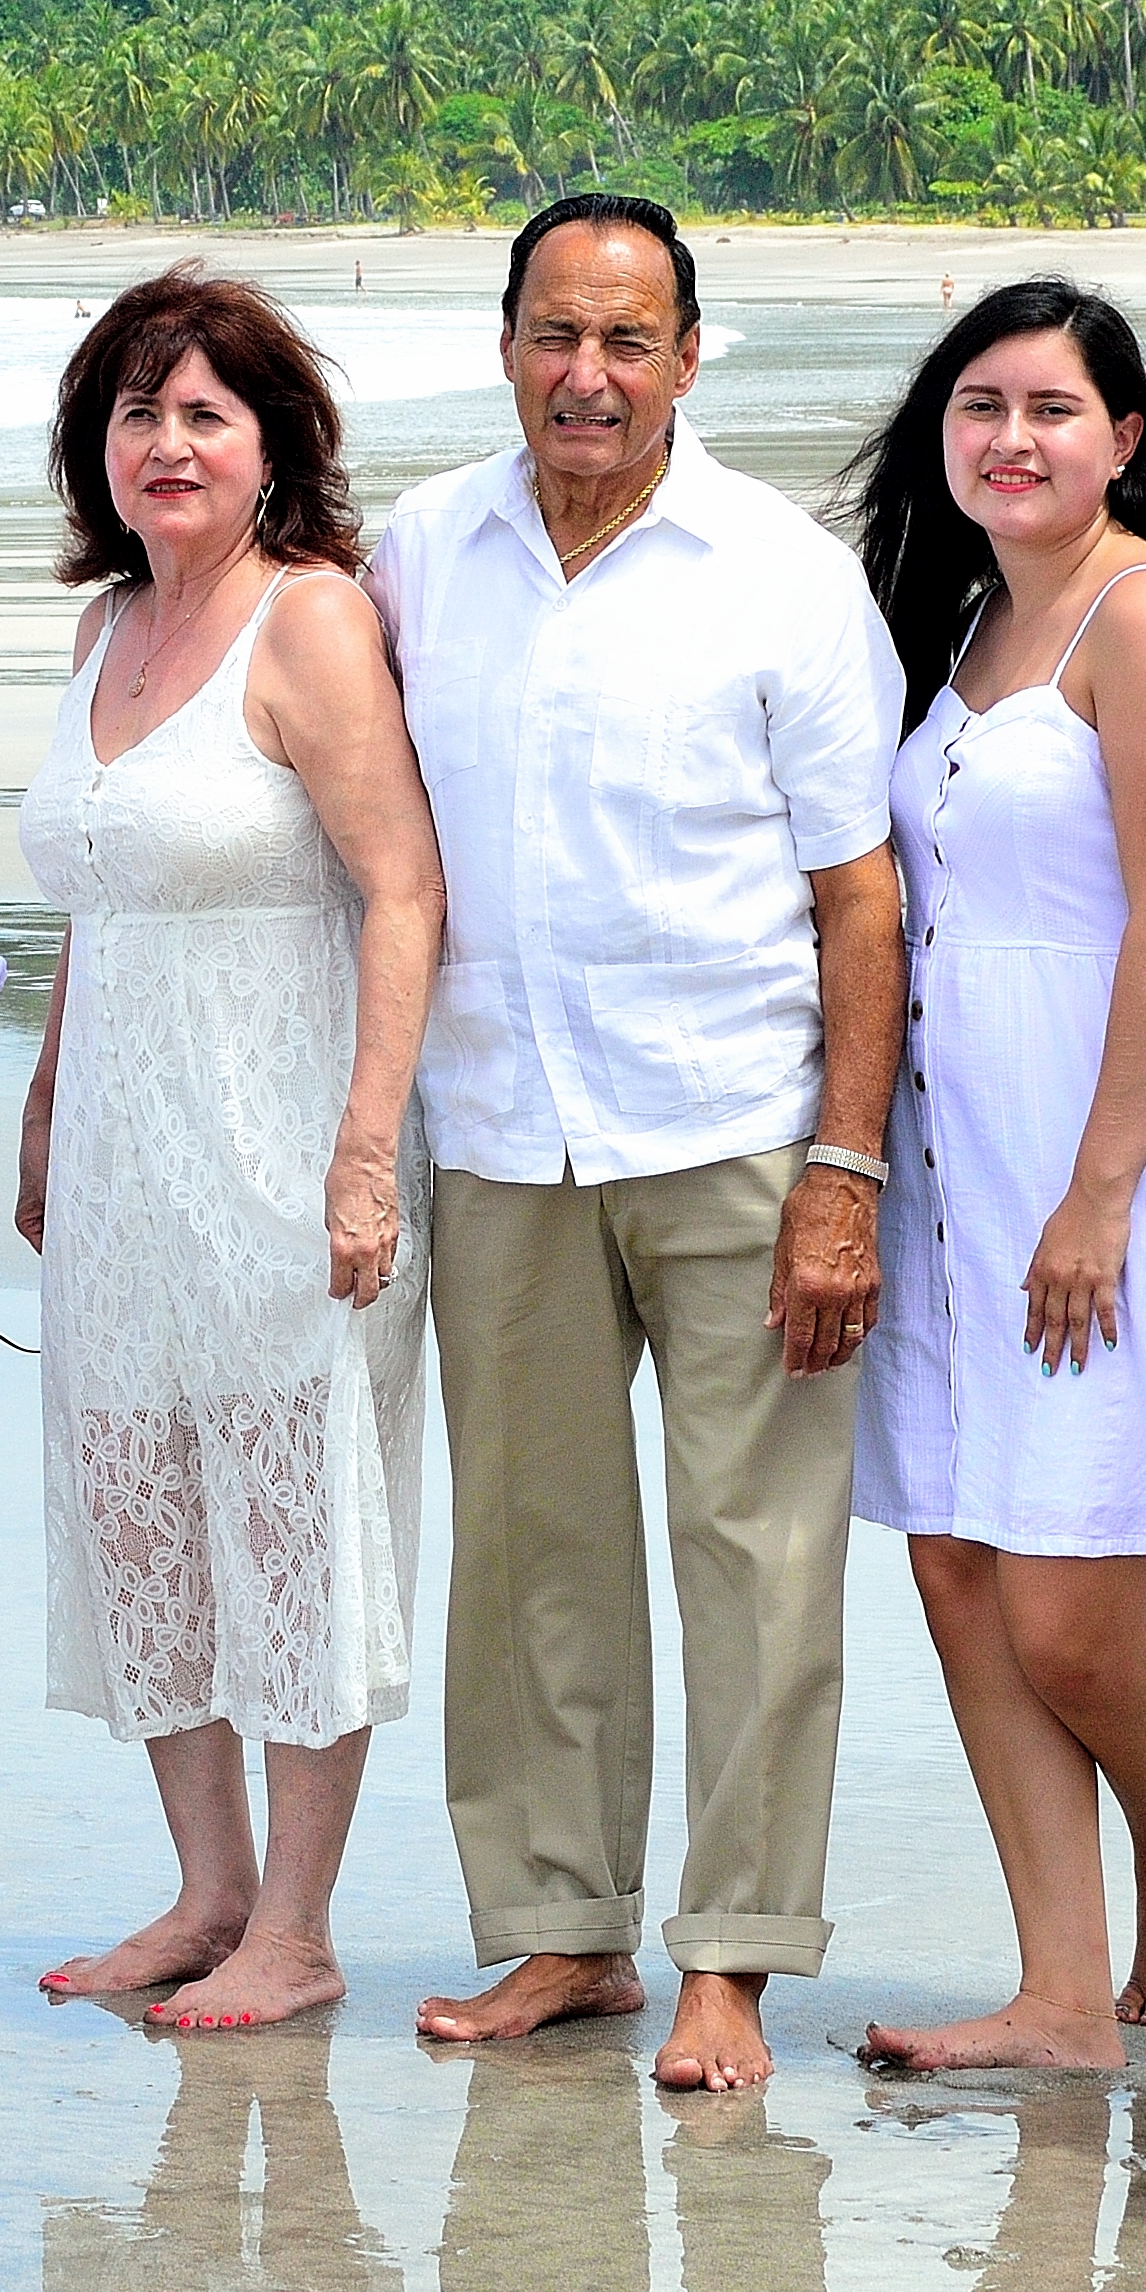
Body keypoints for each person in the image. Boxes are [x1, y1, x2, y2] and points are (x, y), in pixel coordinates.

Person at [377, 191, 907, 2096]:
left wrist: (845, 1176)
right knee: (530, 1555)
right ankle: (557, 1929)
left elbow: (862, 896)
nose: (583, 377)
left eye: (625, 342)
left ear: (689, 358)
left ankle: (735, 1959)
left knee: (755, 1560)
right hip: (500, 1126)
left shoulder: (780, 571)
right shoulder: (423, 553)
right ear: (504, 343)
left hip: (735, 1132)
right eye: (551, 335)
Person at [831, 279, 1146, 2077]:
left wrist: (1097, 1193)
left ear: (1122, 438)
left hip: (1099, 1176)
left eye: (1050, 408)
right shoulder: (958, 643)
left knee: (1071, 1610)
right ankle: (1058, 1992)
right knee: (955, 1575)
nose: (1010, 439)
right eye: (979, 407)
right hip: (956, 1178)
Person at [15, 266, 446, 2036]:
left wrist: (361, 1155)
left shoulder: (310, 620)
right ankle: (202, 1890)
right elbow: (99, 900)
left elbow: (404, 891)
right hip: (122, 1152)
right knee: (142, 1518)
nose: (167, 443)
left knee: (293, 1523)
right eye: (137, 412)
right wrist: (41, 1103)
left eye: (205, 413)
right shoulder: (98, 630)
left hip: (281, 1139)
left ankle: (297, 1921)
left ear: (274, 446)